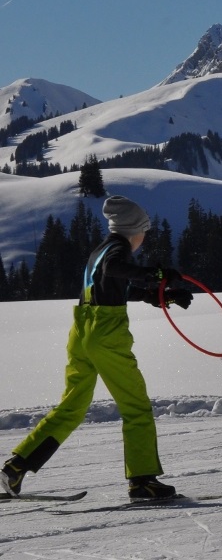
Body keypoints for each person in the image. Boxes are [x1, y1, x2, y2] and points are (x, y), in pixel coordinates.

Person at [1, 196, 194, 501]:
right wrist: (156, 275)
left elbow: (113, 285)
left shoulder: (100, 250)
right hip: (106, 332)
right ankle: (142, 481)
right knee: (136, 407)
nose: (144, 238)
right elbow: (116, 269)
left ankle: (17, 466)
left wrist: (159, 296)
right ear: (134, 230)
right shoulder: (118, 250)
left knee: (72, 406)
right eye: (144, 231)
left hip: (82, 331)